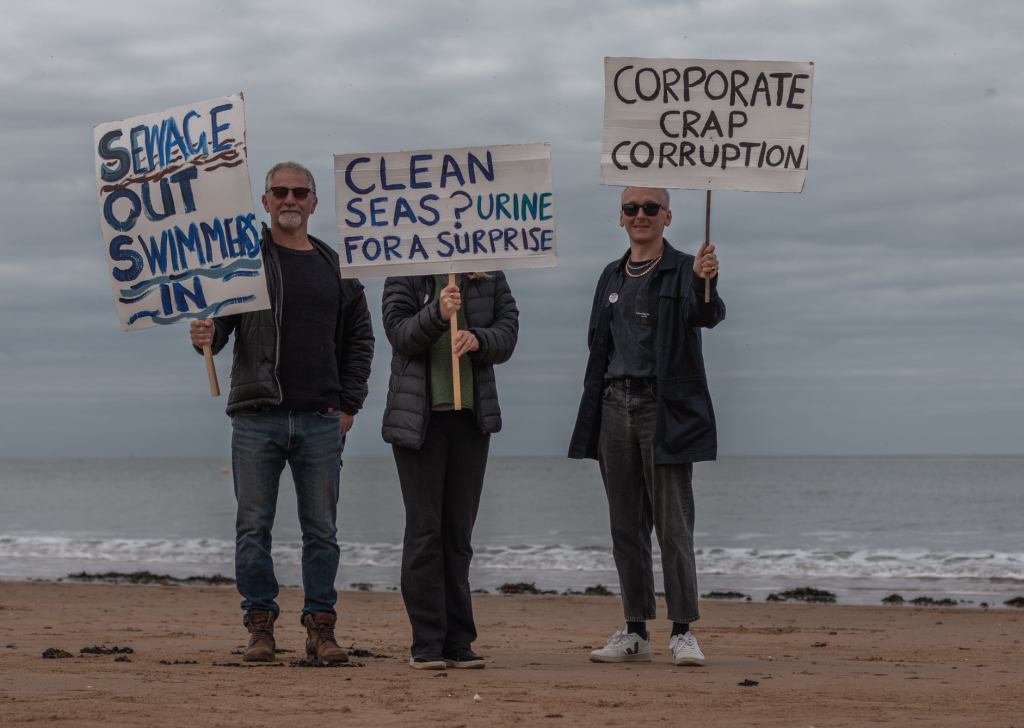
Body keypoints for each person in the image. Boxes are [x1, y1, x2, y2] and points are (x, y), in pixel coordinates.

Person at [189, 162, 374, 663]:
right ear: (265, 201)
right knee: (253, 529)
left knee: (322, 532)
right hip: (257, 416)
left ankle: (321, 629)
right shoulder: (242, 263)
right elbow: (219, 332)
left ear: (313, 202)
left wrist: (350, 405)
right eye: (280, 192)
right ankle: (259, 627)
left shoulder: (337, 267)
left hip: (322, 418)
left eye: (299, 192)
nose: (290, 199)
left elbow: (360, 340)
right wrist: (205, 335)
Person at [569, 186, 724, 667]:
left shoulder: (686, 267)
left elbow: (707, 315)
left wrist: (707, 281)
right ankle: (635, 630)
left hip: (664, 407)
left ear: (667, 216)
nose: (641, 215)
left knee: (673, 525)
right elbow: (597, 340)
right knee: (625, 525)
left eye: (651, 208)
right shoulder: (611, 275)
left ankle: (683, 631)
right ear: (620, 217)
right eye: (631, 208)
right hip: (613, 404)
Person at [381, 271, 518, 669]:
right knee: (425, 532)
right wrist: (437, 313)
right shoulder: (403, 271)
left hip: (471, 420)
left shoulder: (489, 274)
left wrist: (479, 339)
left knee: (459, 535)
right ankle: (426, 642)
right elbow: (400, 335)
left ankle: (459, 641)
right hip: (418, 422)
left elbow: (508, 333)